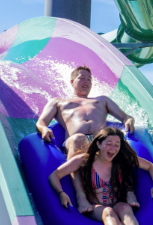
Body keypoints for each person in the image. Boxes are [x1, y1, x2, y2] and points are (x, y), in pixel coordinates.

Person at [48, 126, 153, 225]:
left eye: (116, 145)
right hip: (95, 207)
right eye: (109, 144)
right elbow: (54, 176)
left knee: (125, 208)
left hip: (117, 202)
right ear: (98, 144)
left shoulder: (122, 159)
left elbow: (151, 166)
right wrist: (61, 193)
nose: (113, 149)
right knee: (107, 212)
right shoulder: (84, 160)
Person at [36, 66, 138, 212]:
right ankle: (81, 195)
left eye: (89, 79)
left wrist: (128, 121)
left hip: (101, 143)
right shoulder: (59, 102)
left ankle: (129, 191)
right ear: (72, 82)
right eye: (82, 78)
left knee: (116, 143)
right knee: (79, 139)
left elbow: (125, 116)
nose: (86, 82)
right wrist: (44, 128)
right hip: (75, 141)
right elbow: (41, 122)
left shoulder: (102, 100)